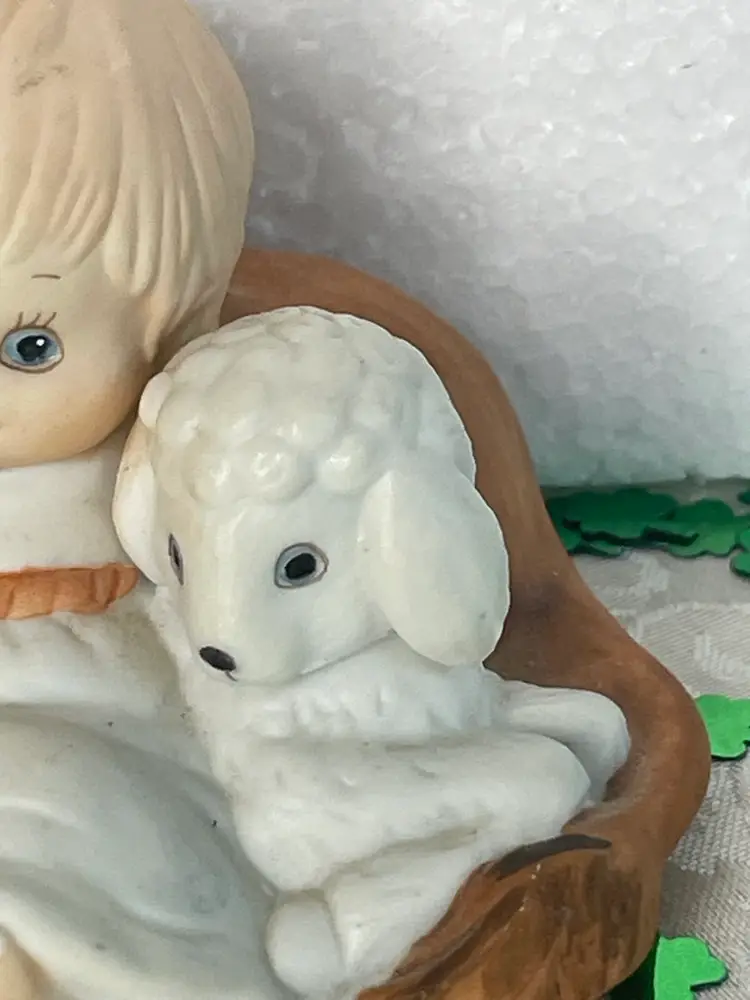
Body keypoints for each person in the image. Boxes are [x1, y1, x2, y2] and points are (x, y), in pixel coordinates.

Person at [0, 3, 279, 997]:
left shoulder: (154, 462)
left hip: (89, 709)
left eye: (28, 347)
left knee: (55, 827)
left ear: (172, 328)